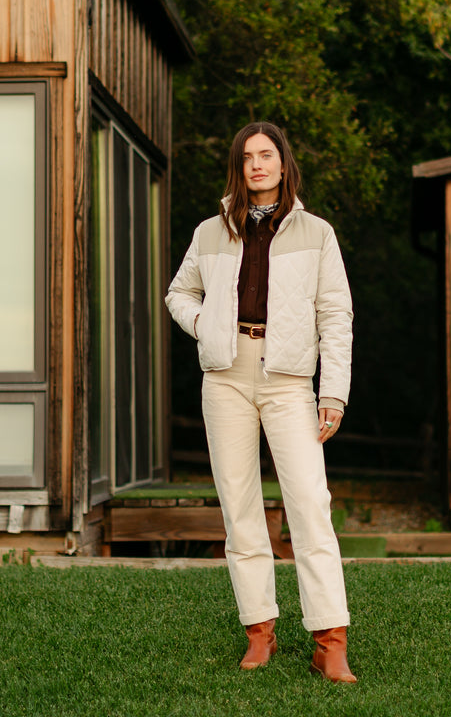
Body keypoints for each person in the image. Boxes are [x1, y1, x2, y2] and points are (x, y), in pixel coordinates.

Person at [165, 121, 356, 684]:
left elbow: (335, 317)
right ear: (238, 167)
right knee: (240, 509)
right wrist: (205, 326)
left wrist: (333, 392)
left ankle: (330, 640)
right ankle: (259, 631)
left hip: (288, 379)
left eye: (266, 155)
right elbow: (180, 291)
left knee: (309, 506)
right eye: (247, 156)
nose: (256, 165)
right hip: (224, 376)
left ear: (282, 162)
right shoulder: (211, 231)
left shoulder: (316, 233)